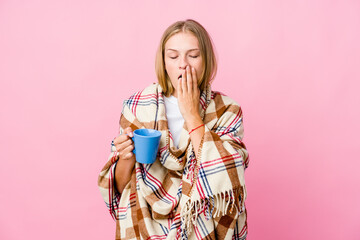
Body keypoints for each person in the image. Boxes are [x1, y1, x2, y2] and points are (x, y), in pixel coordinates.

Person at [98, 19, 250, 240]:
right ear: (163, 61)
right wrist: (126, 158)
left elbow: (229, 179)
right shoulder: (137, 106)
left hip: (204, 226)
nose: (183, 64)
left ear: (206, 60)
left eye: (193, 55)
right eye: (173, 56)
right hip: (145, 226)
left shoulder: (226, 109)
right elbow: (119, 189)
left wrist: (191, 114)